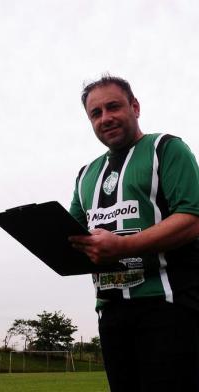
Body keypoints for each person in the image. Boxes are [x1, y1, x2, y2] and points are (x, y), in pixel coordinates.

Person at [68, 75, 199, 392]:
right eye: (95, 113)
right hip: (110, 311)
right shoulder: (86, 174)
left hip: (168, 305)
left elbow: (192, 217)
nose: (105, 118)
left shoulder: (165, 148)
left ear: (135, 107)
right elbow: (74, 234)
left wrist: (123, 247)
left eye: (113, 106)